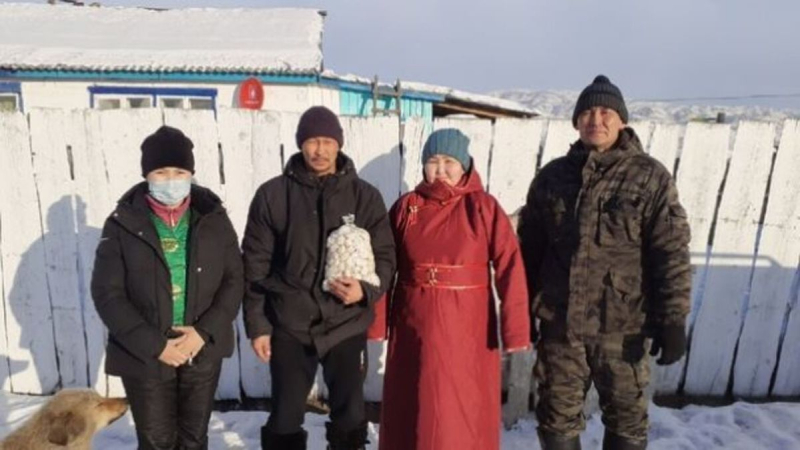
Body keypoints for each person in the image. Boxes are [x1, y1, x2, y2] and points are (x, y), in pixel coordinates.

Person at [518, 75, 692, 450]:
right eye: (587, 112)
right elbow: (529, 251)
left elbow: (671, 251)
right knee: (555, 420)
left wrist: (673, 318)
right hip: (561, 324)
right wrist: (522, 312)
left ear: (622, 121)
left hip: (623, 325)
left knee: (627, 420)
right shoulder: (552, 178)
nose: (596, 119)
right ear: (576, 121)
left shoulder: (649, 177)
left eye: (605, 112)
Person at [242, 106, 396, 450]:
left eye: (328, 141)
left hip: (345, 321)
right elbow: (254, 265)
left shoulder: (364, 196)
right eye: (312, 141)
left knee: (350, 413)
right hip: (290, 321)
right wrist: (259, 326)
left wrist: (366, 290)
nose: (320, 150)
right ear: (301, 144)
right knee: (285, 414)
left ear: (338, 144)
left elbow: (385, 255)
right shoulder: (273, 195)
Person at [376, 128, 531, 450]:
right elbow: (384, 264)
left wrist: (516, 330)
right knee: (415, 405)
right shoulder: (407, 207)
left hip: (468, 331)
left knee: (459, 409)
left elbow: (510, 268)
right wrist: (377, 323)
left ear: (465, 165)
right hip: (414, 325)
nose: (441, 170)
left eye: (449, 161)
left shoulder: (483, 207)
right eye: (433, 161)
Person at [92, 125, 244, 450]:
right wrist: (155, 344)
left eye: (179, 171)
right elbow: (108, 293)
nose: (170, 179)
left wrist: (203, 332)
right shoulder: (121, 222)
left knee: (193, 439)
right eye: (161, 171)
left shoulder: (214, 218)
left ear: (191, 173)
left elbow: (235, 280)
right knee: (156, 441)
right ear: (147, 175)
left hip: (200, 348)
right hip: (145, 352)